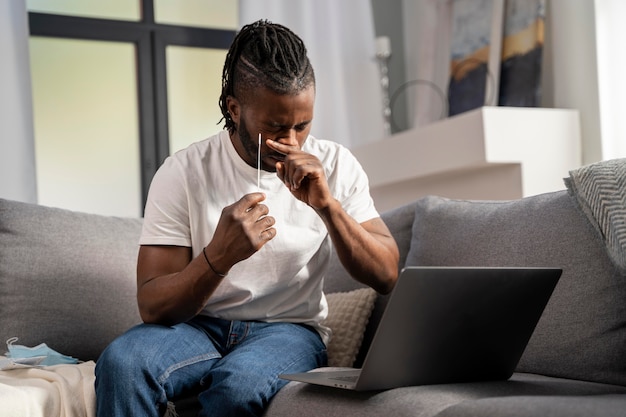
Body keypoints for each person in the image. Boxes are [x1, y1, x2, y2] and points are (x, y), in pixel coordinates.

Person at [94, 19, 399, 417]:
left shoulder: (336, 165)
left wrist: (328, 207)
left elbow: (388, 272)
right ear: (234, 109)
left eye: (302, 126)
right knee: (123, 363)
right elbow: (153, 305)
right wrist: (218, 257)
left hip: (289, 332)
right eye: (274, 127)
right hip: (198, 328)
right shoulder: (183, 171)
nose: (290, 143)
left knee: (239, 386)